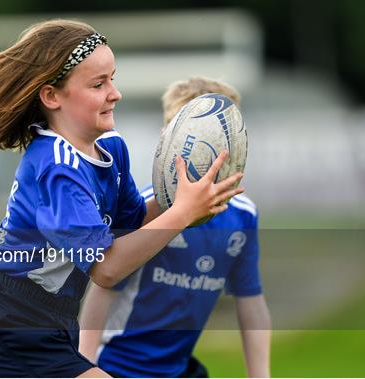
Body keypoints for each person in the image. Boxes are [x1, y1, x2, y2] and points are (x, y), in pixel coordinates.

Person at [0, 21, 245, 378]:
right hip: (10, 327)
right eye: (98, 84)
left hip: (53, 322)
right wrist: (184, 212)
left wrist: (185, 196)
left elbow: (133, 224)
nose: (115, 93)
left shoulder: (111, 149)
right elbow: (107, 269)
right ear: (52, 97)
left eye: (112, 78)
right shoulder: (56, 167)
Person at [79, 77, 271, 378]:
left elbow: (251, 301)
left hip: (178, 369)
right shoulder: (141, 211)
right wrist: (85, 366)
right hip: (118, 367)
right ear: (166, 140)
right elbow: (102, 291)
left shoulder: (243, 217)